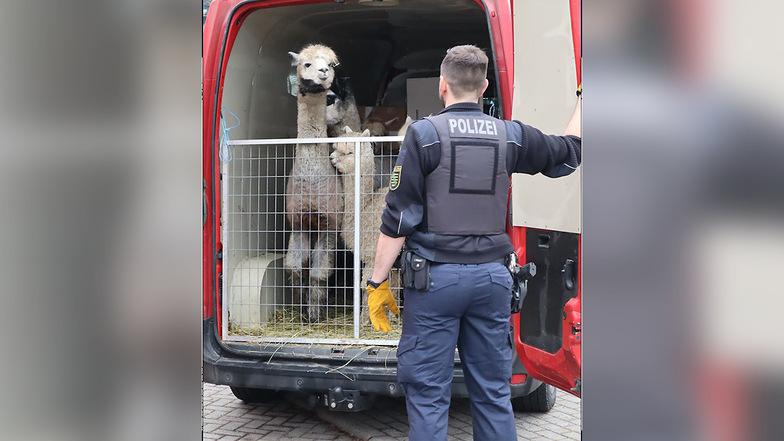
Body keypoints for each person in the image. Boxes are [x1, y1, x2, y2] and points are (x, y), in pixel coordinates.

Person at [364, 45, 581, 441]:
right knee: (494, 393)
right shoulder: (510, 135)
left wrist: (377, 283)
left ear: (442, 86)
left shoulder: (423, 136)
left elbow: (397, 219)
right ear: (483, 87)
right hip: (492, 283)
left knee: (429, 396)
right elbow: (569, 153)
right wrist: (586, 100)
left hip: (434, 284)